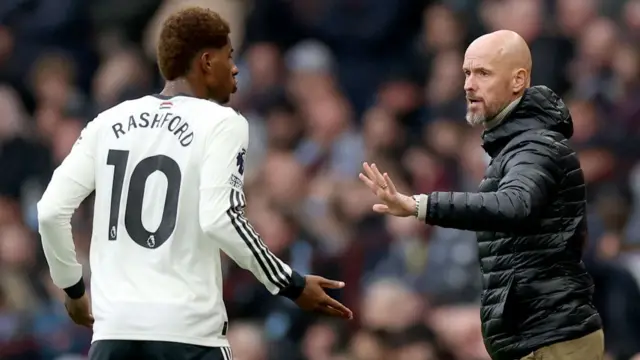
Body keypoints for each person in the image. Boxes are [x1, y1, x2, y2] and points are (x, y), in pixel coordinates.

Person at [37, 7, 352, 360]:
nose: (235, 69)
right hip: (187, 335)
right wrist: (291, 284)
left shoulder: (107, 122)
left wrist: (74, 290)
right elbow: (221, 219)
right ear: (205, 61)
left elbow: (50, 211)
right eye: (229, 57)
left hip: (113, 335)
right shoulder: (221, 123)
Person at [359, 30, 603, 360]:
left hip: (552, 339)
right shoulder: (515, 146)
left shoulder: (535, 145)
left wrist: (421, 204)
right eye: (466, 73)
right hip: (535, 337)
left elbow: (514, 205)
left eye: (483, 73)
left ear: (518, 81)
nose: (468, 85)